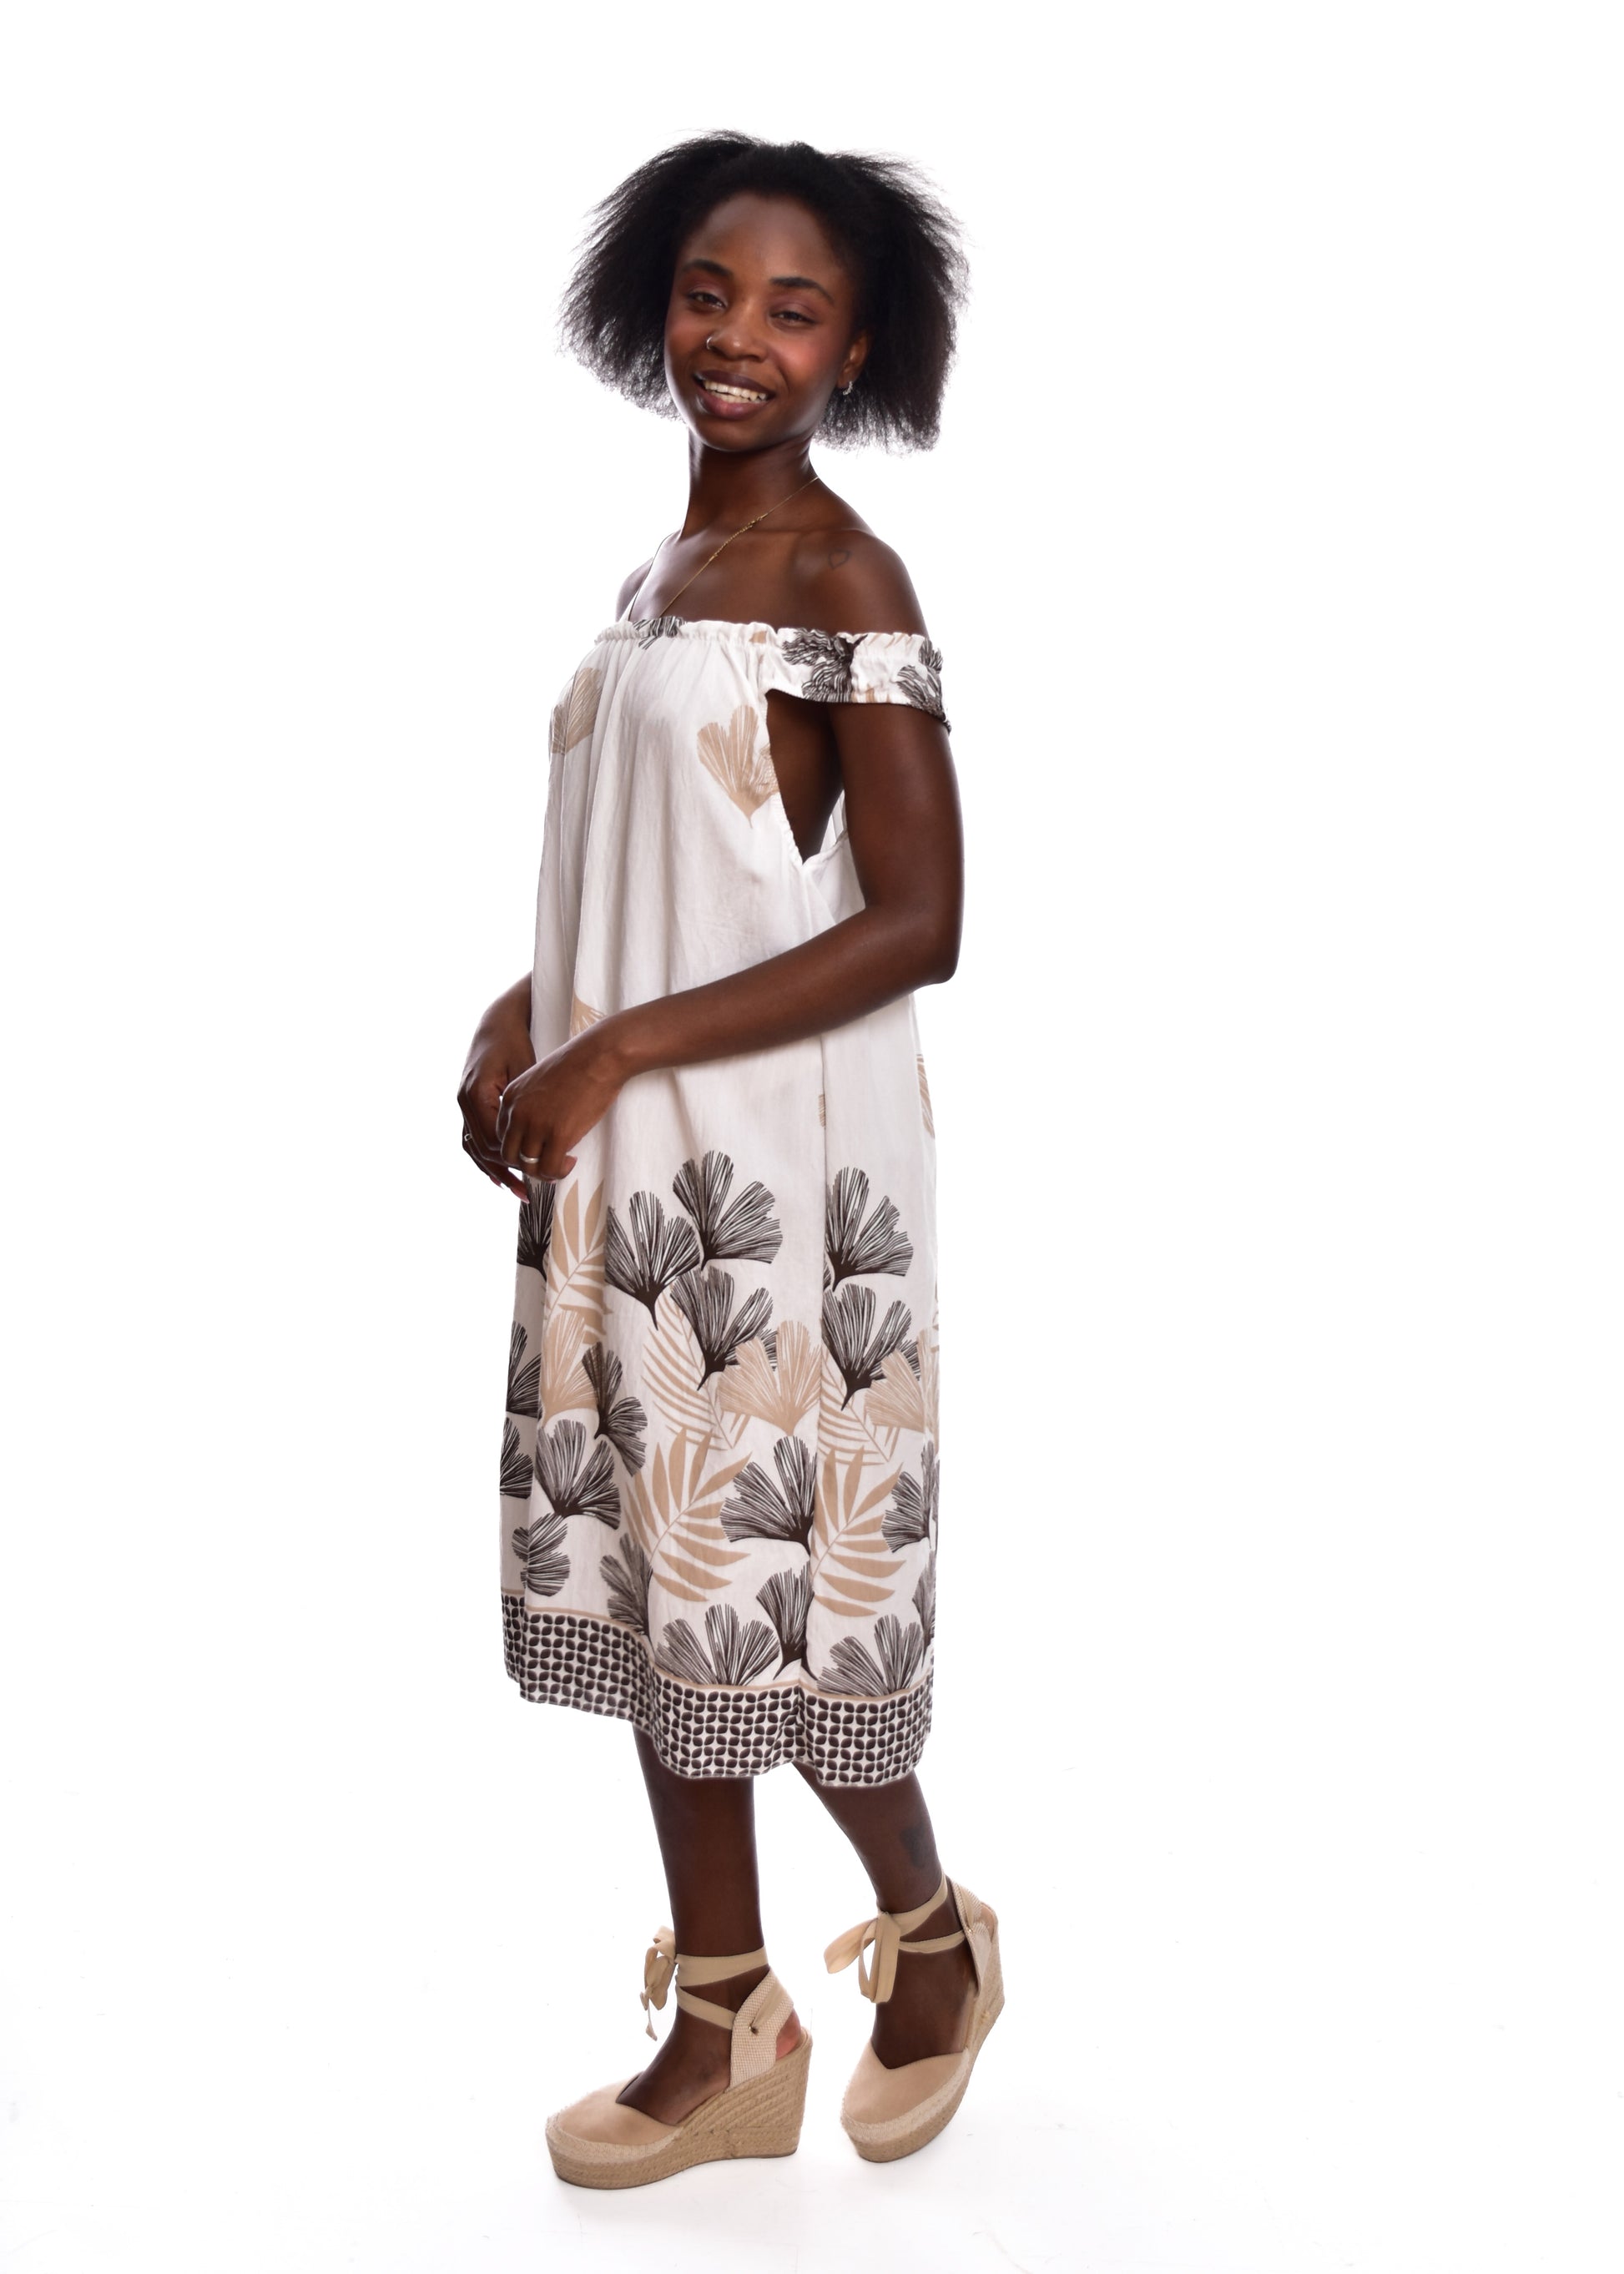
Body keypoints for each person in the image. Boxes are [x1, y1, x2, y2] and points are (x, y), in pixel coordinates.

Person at [457, 134, 1000, 2188]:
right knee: (657, 1579)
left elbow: (919, 922)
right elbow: (668, 878)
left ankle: (931, 1940)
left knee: (782, 1602)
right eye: (707, 292)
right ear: (651, 307)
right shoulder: (650, 583)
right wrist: (527, 1014)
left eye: (792, 307)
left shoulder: (845, 578)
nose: (738, 338)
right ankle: (726, 2018)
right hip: (625, 1163)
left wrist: (616, 1045)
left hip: (776, 1183)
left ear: (858, 346)